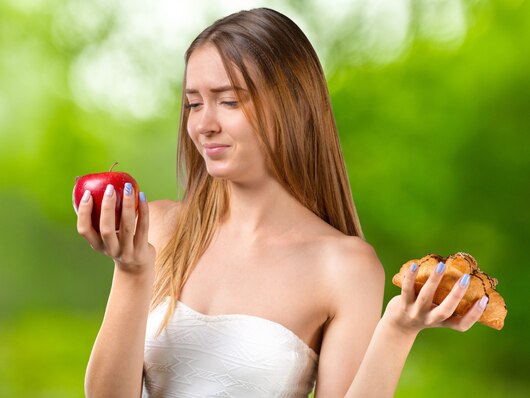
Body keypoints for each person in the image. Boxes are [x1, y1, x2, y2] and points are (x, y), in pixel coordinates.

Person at [76, 7, 489, 398]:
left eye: (230, 101)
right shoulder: (162, 227)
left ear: (292, 106)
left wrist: (397, 329)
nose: (203, 124)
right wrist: (132, 271)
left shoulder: (345, 266)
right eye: (194, 103)